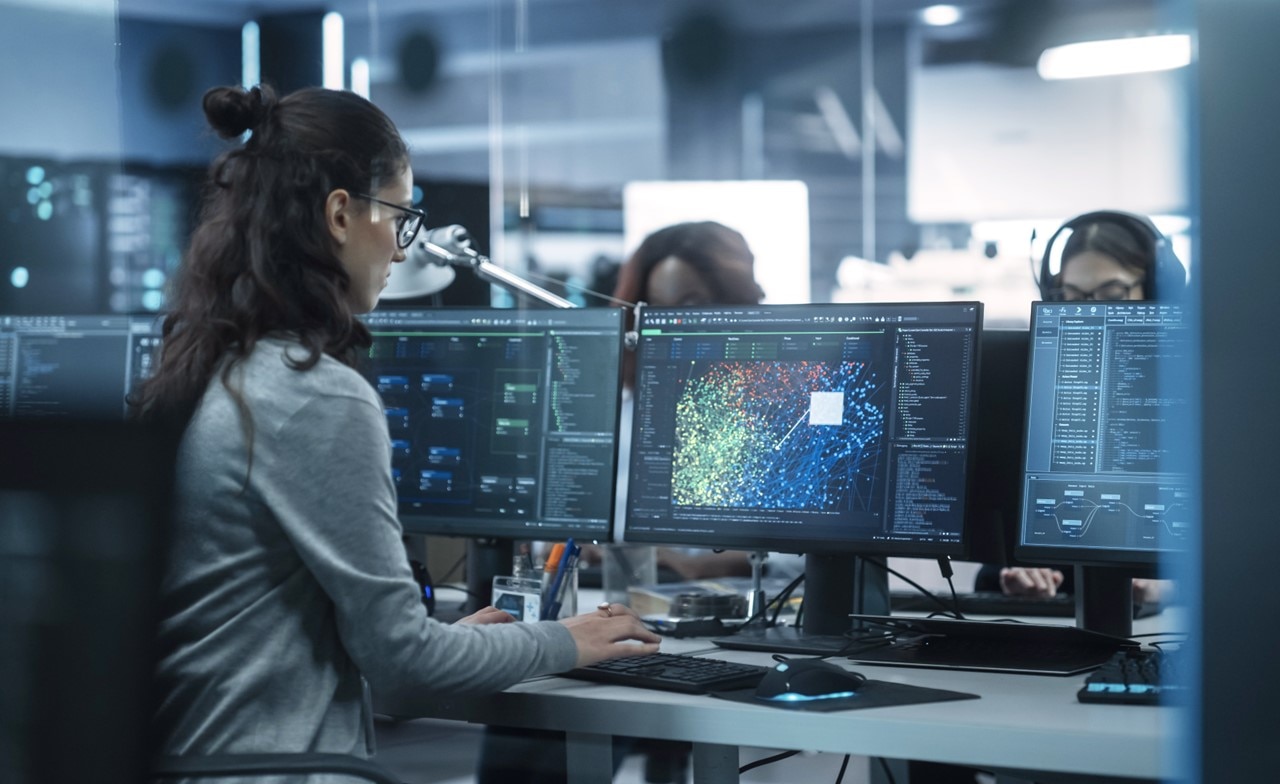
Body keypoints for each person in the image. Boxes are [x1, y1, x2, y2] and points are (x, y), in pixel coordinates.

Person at [132, 83, 660, 765]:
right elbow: (404, 662)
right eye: (400, 217)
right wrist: (568, 639)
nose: (406, 249)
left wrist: (466, 642)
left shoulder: (213, 368)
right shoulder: (313, 394)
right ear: (340, 214)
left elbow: (288, 639)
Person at [977, 211, 1185, 601]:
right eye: (1071, 297)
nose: (1090, 311)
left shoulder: (1204, 394)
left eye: (1113, 295)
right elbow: (996, 547)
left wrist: (1180, 587)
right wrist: (1015, 572)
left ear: (1156, 289)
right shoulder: (1037, 392)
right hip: (1062, 619)